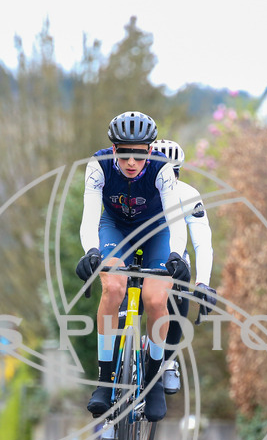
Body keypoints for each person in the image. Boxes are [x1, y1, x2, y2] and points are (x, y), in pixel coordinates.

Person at [75, 111, 190, 423]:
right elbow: (89, 216)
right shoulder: (98, 166)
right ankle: (105, 381)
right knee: (113, 287)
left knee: (155, 299)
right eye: (123, 154)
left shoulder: (161, 169)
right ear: (113, 149)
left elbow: (175, 218)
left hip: (158, 232)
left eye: (139, 155)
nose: (130, 162)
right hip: (116, 229)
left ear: (150, 151)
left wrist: (176, 255)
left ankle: (153, 382)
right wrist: (91, 252)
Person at [148, 139, 218, 394]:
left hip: (172, 254)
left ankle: (168, 360)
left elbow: (202, 242)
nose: (169, 179)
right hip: (137, 250)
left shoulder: (188, 195)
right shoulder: (136, 190)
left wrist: (203, 283)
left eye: (174, 172)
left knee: (180, 287)